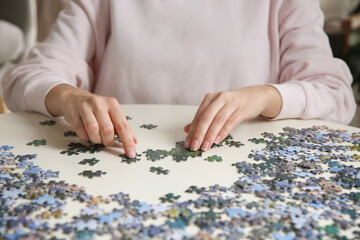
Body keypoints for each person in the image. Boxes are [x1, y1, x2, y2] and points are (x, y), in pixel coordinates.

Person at [2, 0, 356, 158]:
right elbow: (24, 78)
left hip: (246, 189)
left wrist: (265, 96)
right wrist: (68, 97)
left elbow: (336, 95)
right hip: (118, 171)